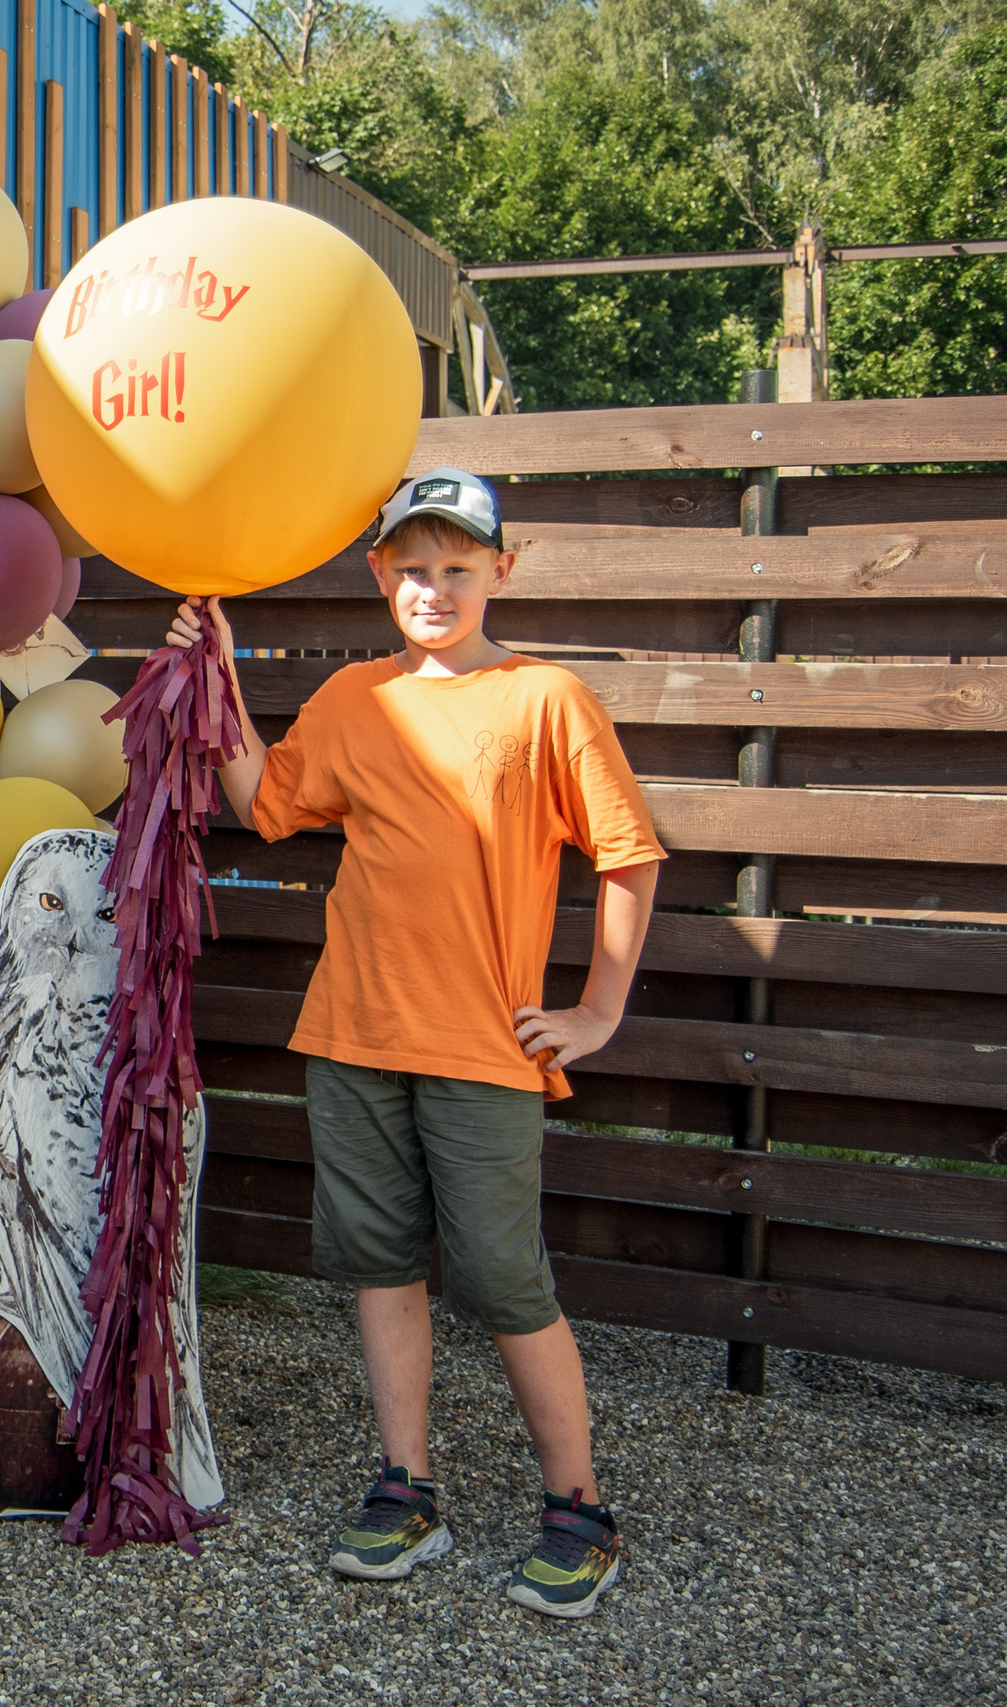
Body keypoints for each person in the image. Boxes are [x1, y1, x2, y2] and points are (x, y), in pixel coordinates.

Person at [167, 468, 663, 1619]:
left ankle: (579, 1510)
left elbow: (627, 855)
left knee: (500, 1276)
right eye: (411, 567)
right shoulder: (352, 698)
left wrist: (595, 1013)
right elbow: (262, 800)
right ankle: (406, 1489)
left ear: (502, 568)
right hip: (352, 1032)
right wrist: (217, 670)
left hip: (484, 1046)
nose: (433, 587)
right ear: (379, 573)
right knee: (377, 1265)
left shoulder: (545, 699)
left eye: (457, 565)